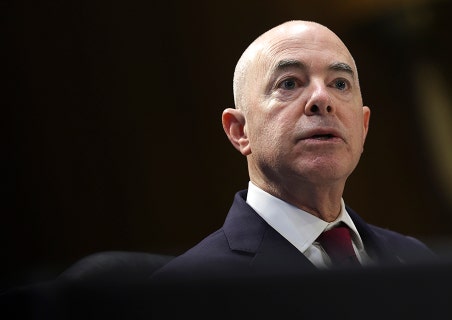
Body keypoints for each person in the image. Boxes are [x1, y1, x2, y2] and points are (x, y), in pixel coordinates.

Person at [152, 20, 436, 280]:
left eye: (339, 83)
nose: (322, 99)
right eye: (289, 83)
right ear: (240, 131)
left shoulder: (416, 260)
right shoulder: (188, 288)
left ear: (362, 128)